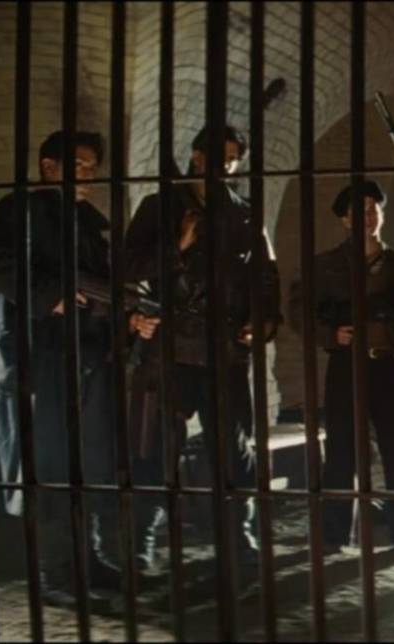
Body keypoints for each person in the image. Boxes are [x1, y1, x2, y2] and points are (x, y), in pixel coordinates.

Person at [0, 130, 149, 606]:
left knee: (88, 461)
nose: (88, 175)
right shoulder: (18, 210)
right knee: (50, 465)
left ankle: (88, 561)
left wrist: (127, 318)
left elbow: (103, 288)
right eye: (78, 165)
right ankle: (56, 576)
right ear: (48, 166)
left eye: (92, 167)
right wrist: (50, 296)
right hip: (38, 357)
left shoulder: (87, 221)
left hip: (87, 356)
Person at [124, 123, 281, 582]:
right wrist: (178, 246)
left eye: (232, 160)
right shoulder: (160, 207)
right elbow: (128, 268)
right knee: (156, 449)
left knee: (233, 450)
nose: (224, 167)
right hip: (169, 349)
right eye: (217, 157)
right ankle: (141, 542)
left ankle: (239, 539)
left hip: (224, 351)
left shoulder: (245, 213)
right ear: (196, 157)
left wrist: (264, 321)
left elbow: (266, 276)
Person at [287, 180, 394, 553]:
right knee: (342, 453)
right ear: (344, 220)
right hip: (347, 366)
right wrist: (330, 334)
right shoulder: (326, 265)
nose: (367, 218)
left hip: (391, 367)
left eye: (373, 210)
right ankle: (333, 536)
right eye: (359, 212)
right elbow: (298, 310)